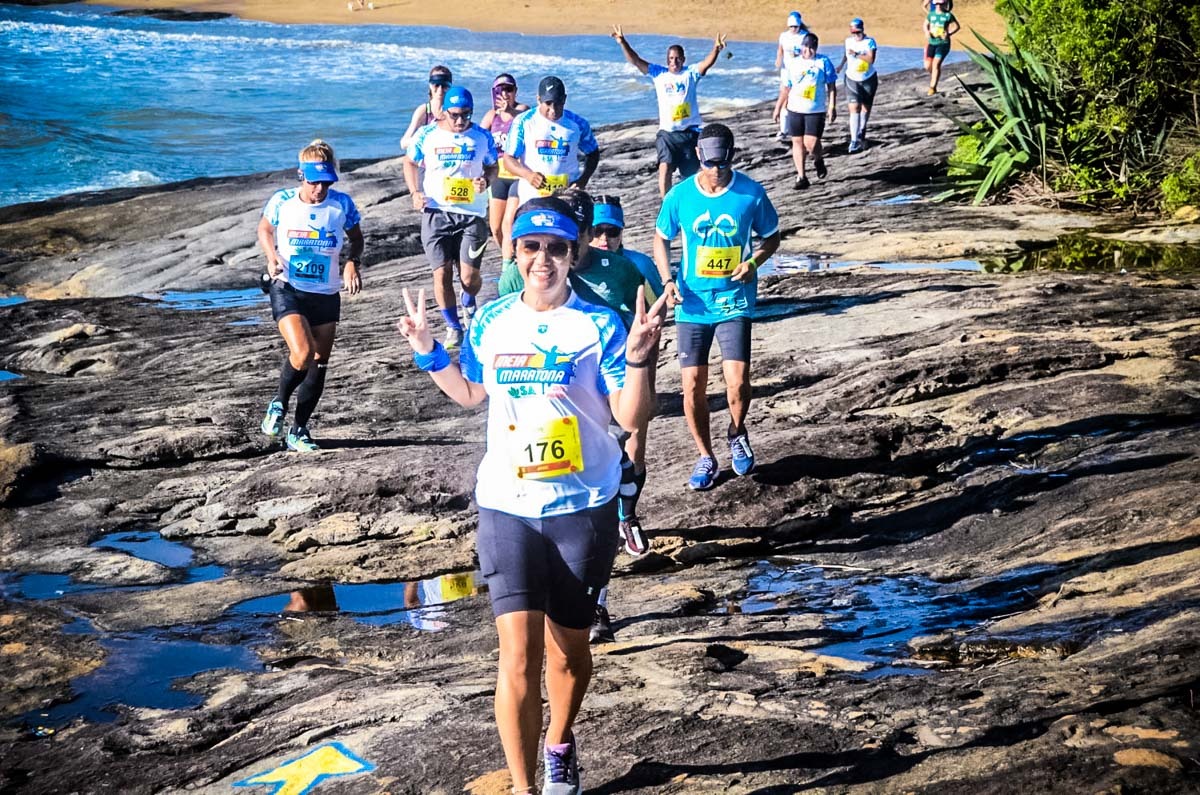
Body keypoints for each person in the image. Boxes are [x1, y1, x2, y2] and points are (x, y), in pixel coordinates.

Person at [396, 197, 666, 795]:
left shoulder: (599, 325)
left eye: (556, 248)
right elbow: (469, 393)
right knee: (517, 656)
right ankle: (524, 788)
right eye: (530, 246)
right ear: (513, 251)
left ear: (575, 253)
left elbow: (630, 414)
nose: (543, 259)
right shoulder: (492, 321)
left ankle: (560, 744)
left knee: (568, 653)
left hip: (582, 509)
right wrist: (426, 350)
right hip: (506, 507)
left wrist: (643, 361)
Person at [653, 123, 780, 491]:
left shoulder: (751, 194)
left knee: (737, 382)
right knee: (692, 386)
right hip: (692, 304)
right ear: (697, 156)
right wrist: (667, 279)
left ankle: (736, 432)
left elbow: (771, 237)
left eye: (722, 164)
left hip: (734, 300)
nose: (716, 170)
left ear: (732, 157)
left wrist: (753, 263)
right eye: (710, 163)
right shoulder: (679, 196)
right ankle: (706, 456)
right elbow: (660, 238)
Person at [258, 140, 364, 452]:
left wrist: (351, 264)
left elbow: (357, 240)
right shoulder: (283, 202)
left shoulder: (341, 205)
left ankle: (299, 430)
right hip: (288, 288)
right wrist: (271, 255)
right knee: (302, 353)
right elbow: (264, 229)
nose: (320, 189)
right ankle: (278, 403)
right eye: (314, 181)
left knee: (319, 363)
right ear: (301, 176)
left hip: (326, 293)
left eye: (326, 182)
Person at [404, 86, 498, 350]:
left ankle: (468, 301)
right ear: (444, 112)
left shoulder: (481, 137)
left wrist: (486, 180)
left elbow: (493, 166)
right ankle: (453, 327)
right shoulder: (427, 135)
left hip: (472, 215)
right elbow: (410, 162)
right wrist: (414, 192)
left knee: (468, 279)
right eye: (455, 115)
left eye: (466, 115)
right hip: (437, 213)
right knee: (442, 274)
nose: (460, 121)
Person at [498, 76, 600, 294]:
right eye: (548, 104)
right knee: (529, 243)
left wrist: (581, 181)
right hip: (531, 197)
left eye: (558, 103)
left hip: (565, 199)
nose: (553, 109)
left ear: (565, 99)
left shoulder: (577, 124)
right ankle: (511, 286)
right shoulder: (524, 121)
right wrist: (527, 174)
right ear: (538, 100)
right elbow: (509, 159)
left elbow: (592, 152)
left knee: (563, 246)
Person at [611, 26, 727, 197]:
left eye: (678, 58)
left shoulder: (690, 74)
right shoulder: (659, 74)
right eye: (671, 58)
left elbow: (706, 63)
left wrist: (716, 49)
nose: (674, 62)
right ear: (667, 60)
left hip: (690, 133)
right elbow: (636, 60)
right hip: (667, 134)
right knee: (664, 168)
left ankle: (689, 202)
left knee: (690, 176)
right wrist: (623, 42)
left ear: (683, 59)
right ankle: (666, 204)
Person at [773, 33, 838, 190]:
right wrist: (778, 107)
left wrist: (832, 106)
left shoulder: (823, 62)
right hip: (795, 108)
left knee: (811, 143)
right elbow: (786, 87)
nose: (807, 51)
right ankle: (801, 176)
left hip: (815, 110)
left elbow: (831, 86)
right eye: (805, 47)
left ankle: (818, 159)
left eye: (811, 48)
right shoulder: (793, 64)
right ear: (801, 47)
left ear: (815, 48)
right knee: (797, 142)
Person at [479, 74, 530, 266]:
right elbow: (479, 137)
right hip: (498, 174)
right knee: (496, 228)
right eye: (500, 90)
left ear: (515, 91)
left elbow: (526, 119)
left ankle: (509, 265)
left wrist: (509, 111)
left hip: (517, 174)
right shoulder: (491, 115)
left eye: (509, 89)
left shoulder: (522, 110)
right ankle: (509, 256)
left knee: (509, 223)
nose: (505, 94)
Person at [837, 18, 878, 153]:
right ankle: (854, 141)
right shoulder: (848, 41)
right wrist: (841, 65)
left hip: (868, 79)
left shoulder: (870, 42)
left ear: (862, 30)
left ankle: (862, 129)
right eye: (853, 32)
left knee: (866, 109)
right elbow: (846, 54)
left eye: (857, 32)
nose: (855, 35)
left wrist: (857, 54)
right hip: (851, 79)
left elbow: (871, 59)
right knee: (854, 108)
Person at [774, 11, 809, 142]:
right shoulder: (783, 36)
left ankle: (799, 128)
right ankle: (783, 130)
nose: (794, 29)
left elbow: (809, 53)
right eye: (791, 27)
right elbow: (780, 50)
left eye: (796, 27)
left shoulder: (805, 36)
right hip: (786, 71)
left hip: (800, 72)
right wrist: (778, 59)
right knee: (784, 97)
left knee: (796, 99)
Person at [400, 65, 452, 151]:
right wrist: (427, 140)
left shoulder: (454, 111)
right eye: (436, 85)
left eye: (444, 86)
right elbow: (404, 143)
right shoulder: (424, 111)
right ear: (430, 86)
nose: (440, 89)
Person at [924, 0, 959, 96]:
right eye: (936, 4)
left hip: (943, 43)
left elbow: (957, 26)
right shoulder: (931, 15)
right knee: (928, 66)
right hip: (932, 42)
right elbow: (925, 25)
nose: (938, 6)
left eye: (941, 4)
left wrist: (948, 33)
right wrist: (927, 32)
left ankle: (932, 87)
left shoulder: (948, 15)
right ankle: (935, 76)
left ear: (945, 4)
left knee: (936, 64)